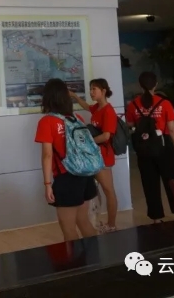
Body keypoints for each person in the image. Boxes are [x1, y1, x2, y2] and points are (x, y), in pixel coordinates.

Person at [35, 78, 98, 241]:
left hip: (66, 177)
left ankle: (76, 258)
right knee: (84, 221)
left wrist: (47, 184)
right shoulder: (76, 118)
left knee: (68, 229)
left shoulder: (47, 122)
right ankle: (96, 256)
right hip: (85, 175)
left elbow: (47, 155)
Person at [125, 71, 174, 224]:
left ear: (140, 85)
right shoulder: (164, 103)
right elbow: (172, 129)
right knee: (173, 182)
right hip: (164, 146)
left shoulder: (133, 105)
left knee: (149, 183)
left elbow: (130, 125)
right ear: (155, 84)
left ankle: (156, 218)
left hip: (144, 148)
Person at [70, 78, 119, 233]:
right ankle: (98, 221)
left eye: (94, 89)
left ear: (103, 91)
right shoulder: (97, 108)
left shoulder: (108, 111)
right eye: (90, 89)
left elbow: (106, 136)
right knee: (96, 191)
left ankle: (112, 224)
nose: (91, 92)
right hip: (94, 156)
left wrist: (87, 143)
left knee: (108, 190)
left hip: (104, 156)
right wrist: (75, 97)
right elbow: (87, 106)